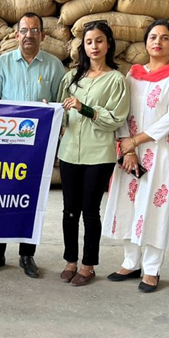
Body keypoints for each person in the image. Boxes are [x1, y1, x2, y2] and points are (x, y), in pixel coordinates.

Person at [101, 19, 169, 293]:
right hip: (130, 153)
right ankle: (130, 262)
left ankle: (152, 269)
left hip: (163, 152)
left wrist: (135, 141)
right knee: (129, 204)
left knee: (155, 208)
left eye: (165, 38)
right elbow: (122, 111)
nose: (158, 42)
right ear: (146, 42)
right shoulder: (134, 74)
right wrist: (127, 147)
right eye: (153, 37)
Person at [0, 12, 67, 279]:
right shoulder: (2, 63)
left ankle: (27, 254)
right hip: (4, 146)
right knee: (0, 199)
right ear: (16, 35)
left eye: (35, 30)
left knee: (33, 199)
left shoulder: (54, 66)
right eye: (24, 30)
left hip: (37, 147)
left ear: (43, 35)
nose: (29, 35)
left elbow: (61, 105)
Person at [56, 21, 129, 287]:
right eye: (89, 42)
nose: (94, 46)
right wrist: (53, 111)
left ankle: (88, 265)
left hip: (98, 155)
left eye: (99, 40)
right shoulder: (72, 77)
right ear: (83, 47)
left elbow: (115, 119)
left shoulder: (116, 80)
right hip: (69, 153)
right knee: (69, 210)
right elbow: (63, 113)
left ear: (108, 44)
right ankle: (70, 261)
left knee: (89, 211)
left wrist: (84, 108)